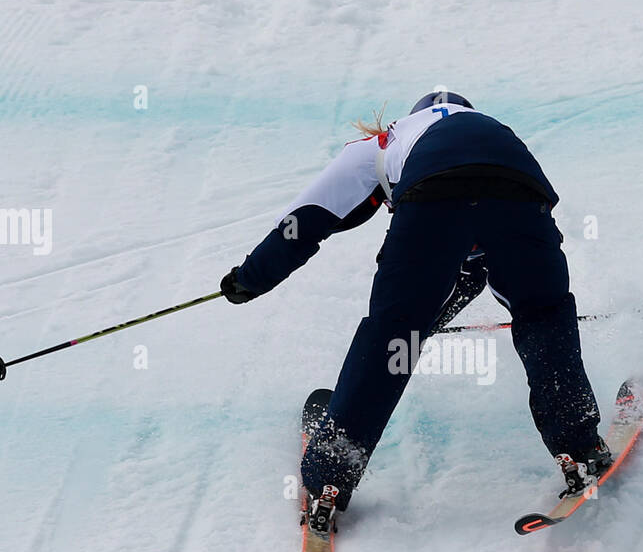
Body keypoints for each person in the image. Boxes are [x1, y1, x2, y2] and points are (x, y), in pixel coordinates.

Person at [220, 91, 608, 528]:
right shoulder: (491, 130)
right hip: (521, 196)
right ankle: (580, 445)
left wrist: (249, 279)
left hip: (434, 199)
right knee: (542, 314)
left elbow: (304, 220)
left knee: (393, 334)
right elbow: (481, 244)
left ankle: (330, 474)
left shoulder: (382, 144)